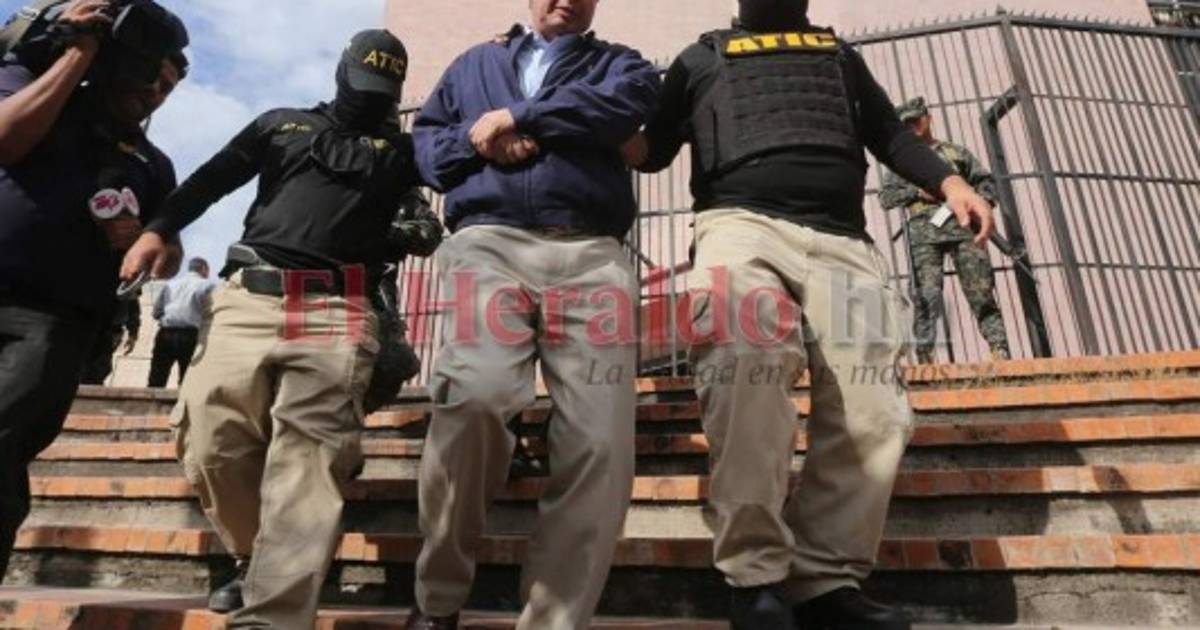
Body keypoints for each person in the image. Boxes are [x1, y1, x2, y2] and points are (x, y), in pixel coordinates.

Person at [624, 1, 995, 628]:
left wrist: (952, 184)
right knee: (747, 373)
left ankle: (823, 582)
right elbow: (651, 150)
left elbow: (890, 133)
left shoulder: (839, 56)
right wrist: (592, 119)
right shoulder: (699, 59)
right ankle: (755, 580)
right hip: (740, 227)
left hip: (842, 241)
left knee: (874, 411)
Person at [121, 29, 441, 629]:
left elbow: (437, 207)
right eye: (364, 85)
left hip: (337, 309)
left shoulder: (401, 154)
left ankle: (274, 613)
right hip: (249, 297)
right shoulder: (281, 125)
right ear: (342, 74)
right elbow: (210, 180)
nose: (370, 99)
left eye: (383, 91)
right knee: (209, 439)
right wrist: (157, 229)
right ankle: (255, 556)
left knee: (308, 463)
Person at [404, 1, 660, 627]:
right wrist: (480, 137)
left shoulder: (619, 63)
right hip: (488, 244)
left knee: (600, 441)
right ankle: (438, 597)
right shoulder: (473, 64)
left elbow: (622, 108)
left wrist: (520, 115)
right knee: (475, 397)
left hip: (591, 254)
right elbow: (429, 155)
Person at [0, 0, 187, 579]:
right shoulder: (40, 90)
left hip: (52, 321)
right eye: (151, 75)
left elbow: (170, 255)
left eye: (168, 87)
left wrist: (146, 241)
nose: (155, 92)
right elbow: (5, 137)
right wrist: (79, 53)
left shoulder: (153, 163)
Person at [879, 97, 1009, 363]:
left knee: (981, 291)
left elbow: (986, 184)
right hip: (923, 236)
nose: (913, 126)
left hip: (964, 230)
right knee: (925, 295)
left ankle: (999, 349)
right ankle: (926, 356)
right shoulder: (903, 161)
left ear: (928, 118)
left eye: (916, 120)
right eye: (906, 123)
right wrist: (917, 193)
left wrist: (978, 203)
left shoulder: (955, 153)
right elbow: (886, 197)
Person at [147, 256, 213, 387]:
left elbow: (156, 313)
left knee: (157, 378)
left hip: (165, 334)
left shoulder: (170, 284)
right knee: (187, 381)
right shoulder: (207, 285)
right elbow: (212, 312)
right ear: (203, 269)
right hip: (190, 336)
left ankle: (151, 400)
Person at [79, 293, 141, 385]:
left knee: (100, 365)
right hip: (86, 326)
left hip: (111, 328)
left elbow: (133, 306)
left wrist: (133, 334)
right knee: (87, 365)